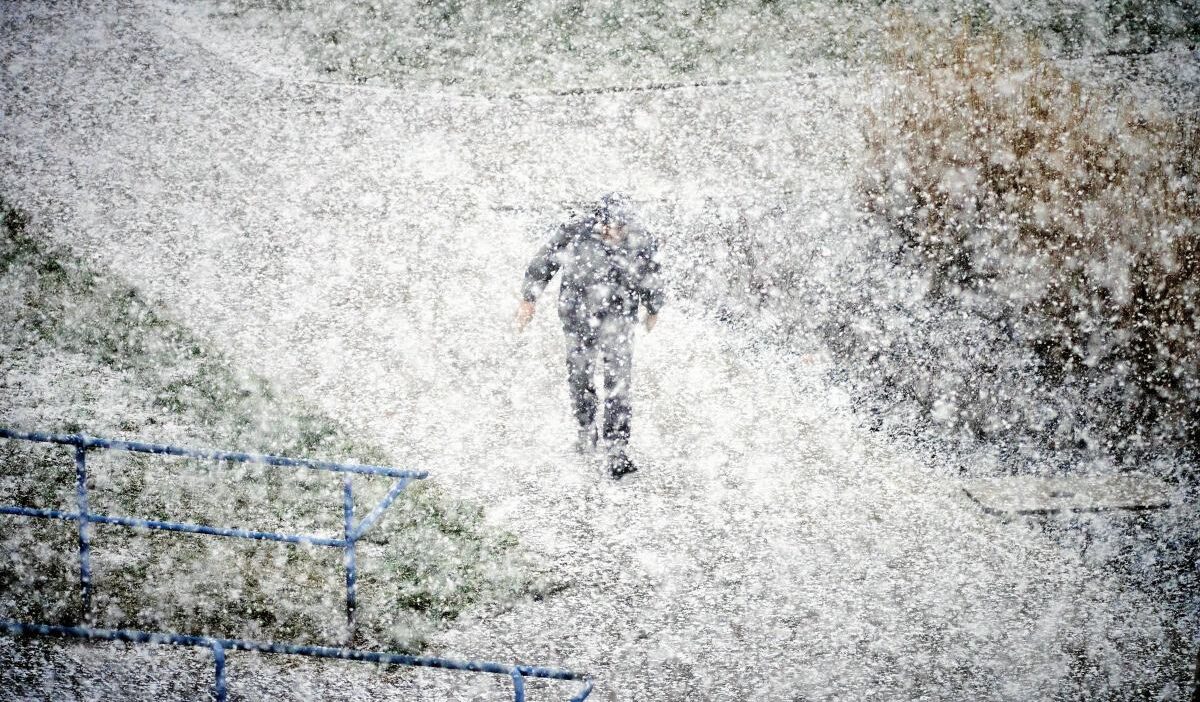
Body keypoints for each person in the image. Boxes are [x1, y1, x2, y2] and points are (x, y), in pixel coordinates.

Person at [515, 193, 664, 479]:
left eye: (621, 228)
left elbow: (652, 273)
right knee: (579, 376)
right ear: (600, 222)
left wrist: (653, 307)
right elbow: (544, 261)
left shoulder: (640, 239)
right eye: (611, 228)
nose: (615, 234)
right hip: (577, 315)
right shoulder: (575, 230)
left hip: (619, 318)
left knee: (618, 381)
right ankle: (586, 429)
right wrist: (528, 299)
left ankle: (617, 448)